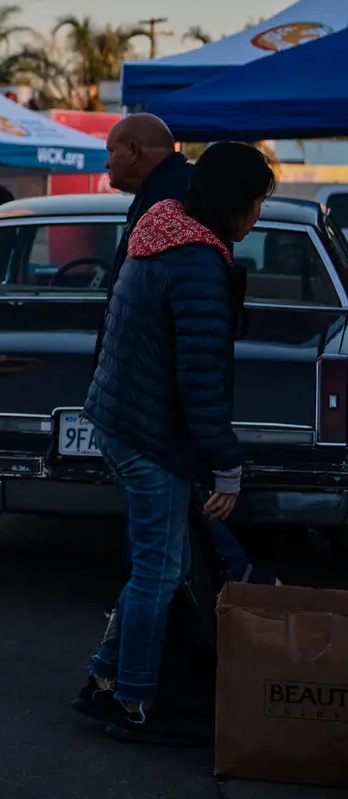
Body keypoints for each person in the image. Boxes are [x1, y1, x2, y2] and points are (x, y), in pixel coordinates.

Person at [77, 142, 276, 745]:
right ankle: (133, 701)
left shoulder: (160, 234)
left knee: (158, 562)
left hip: (123, 420)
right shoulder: (196, 263)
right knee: (159, 572)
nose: (259, 215)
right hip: (149, 435)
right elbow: (201, 378)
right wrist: (226, 463)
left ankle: (107, 681)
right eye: (258, 201)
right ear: (235, 202)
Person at [104, 113, 191, 270]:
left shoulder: (167, 202)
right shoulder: (170, 189)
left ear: (133, 150)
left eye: (112, 152)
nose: (107, 163)